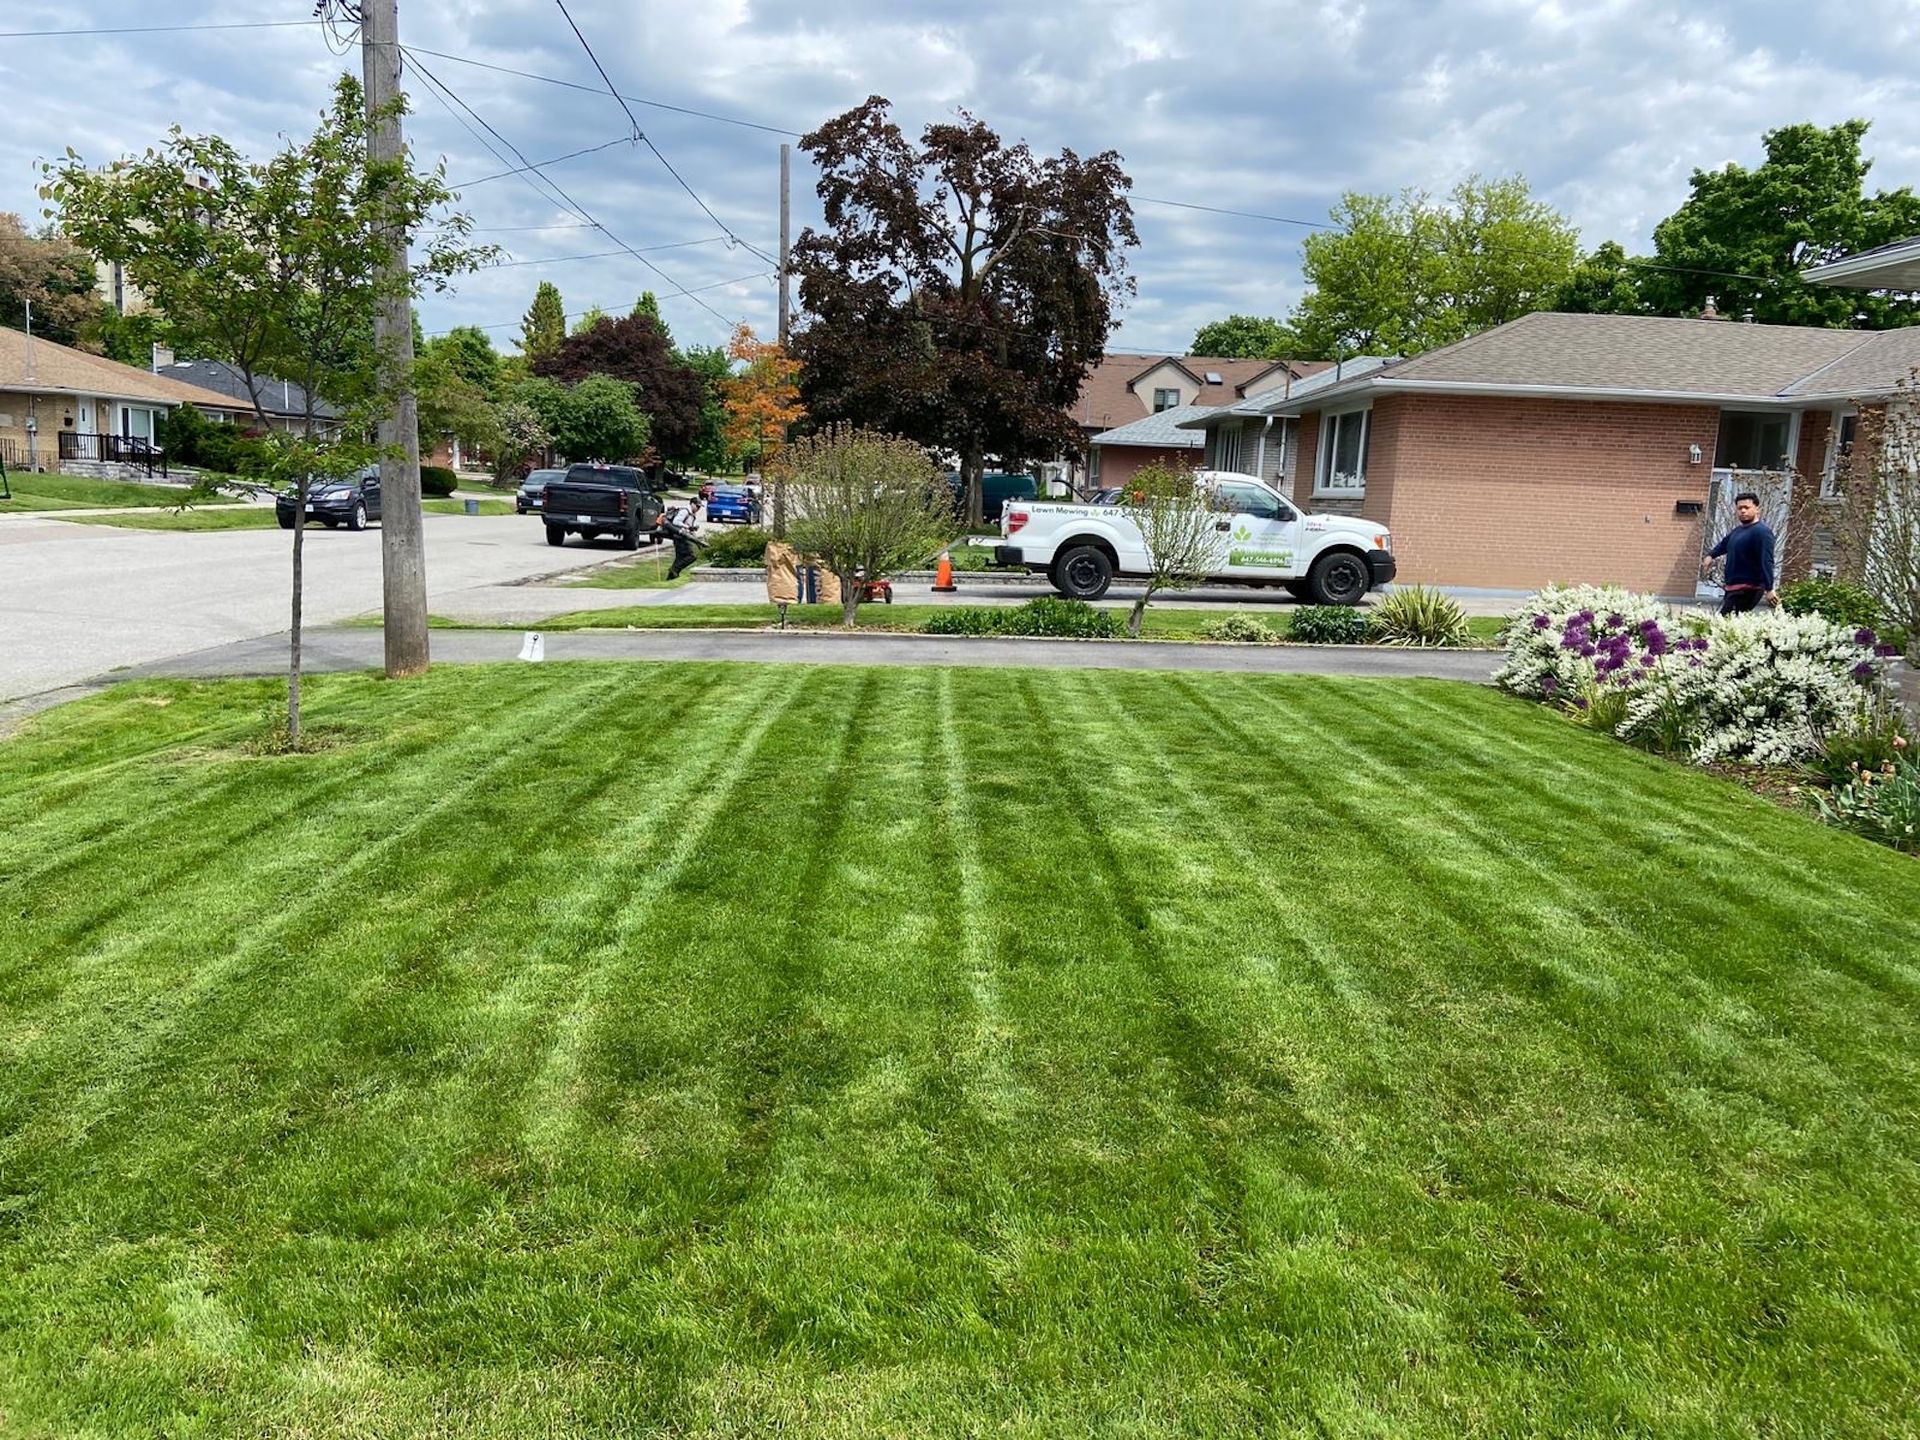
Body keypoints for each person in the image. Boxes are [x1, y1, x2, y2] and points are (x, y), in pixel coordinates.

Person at [1701, 490, 1777, 615]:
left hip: (1749, 587)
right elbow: (1723, 545)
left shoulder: (1762, 532)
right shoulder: (1737, 531)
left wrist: (1769, 588)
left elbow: (1767, 560)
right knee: (1729, 625)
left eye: (1746, 507)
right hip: (1732, 587)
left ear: (1757, 509)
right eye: (1739, 508)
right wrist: (1710, 556)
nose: (1742, 511)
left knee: (1724, 622)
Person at [658, 502, 706, 580]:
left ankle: (671, 576)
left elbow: (689, 528)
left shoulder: (692, 514)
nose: (698, 509)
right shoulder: (685, 511)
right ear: (692, 504)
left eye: (699, 507)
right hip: (679, 536)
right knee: (692, 555)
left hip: (684, 536)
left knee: (679, 557)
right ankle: (674, 570)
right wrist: (687, 527)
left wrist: (693, 530)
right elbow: (676, 522)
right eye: (697, 506)